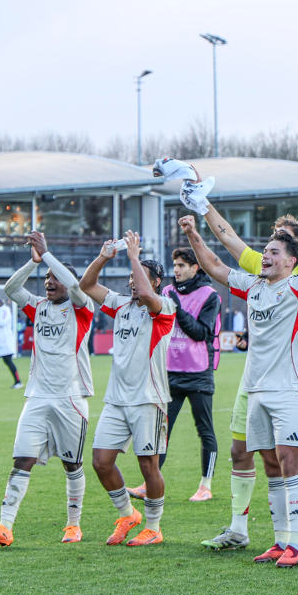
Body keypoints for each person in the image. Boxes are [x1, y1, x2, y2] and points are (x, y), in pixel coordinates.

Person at [182, 213, 298, 567]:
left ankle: (296, 543)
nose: (265, 255)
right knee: (270, 464)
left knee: (290, 460)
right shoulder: (253, 286)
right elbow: (216, 265)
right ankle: (280, 540)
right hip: (256, 391)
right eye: (265, 250)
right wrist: (192, 234)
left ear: (291, 261)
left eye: (273, 252)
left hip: (290, 390)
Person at [0, 232, 93, 547]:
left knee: (72, 464)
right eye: (46, 278)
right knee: (22, 459)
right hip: (37, 397)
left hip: (71, 398)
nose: (48, 282)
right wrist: (35, 261)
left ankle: (73, 525)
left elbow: (76, 287)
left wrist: (49, 254)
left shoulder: (82, 308)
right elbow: (11, 289)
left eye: (55, 278)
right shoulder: (38, 306)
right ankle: (5, 526)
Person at [79, 231, 177, 547]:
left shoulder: (165, 306)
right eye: (132, 277)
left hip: (149, 399)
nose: (134, 282)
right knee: (100, 461)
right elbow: (87, 285)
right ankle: (127, 514)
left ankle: (154, 527)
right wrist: (104, 257)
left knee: (148, 465)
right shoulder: (121, 305)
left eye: (141, 277)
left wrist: (134, 256)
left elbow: (147, 296)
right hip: (117, 400)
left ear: (157, 281)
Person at [140, 247, 222, 502]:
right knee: (161, 431)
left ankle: (205, 486)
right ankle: (150, 484)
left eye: (181, 265)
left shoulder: (210, 296)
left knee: (205, 430)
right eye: (174, 265)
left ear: (195, 268)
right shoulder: (166, 291)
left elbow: (200, 333)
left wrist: (177, 308)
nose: (175, 270)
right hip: (170, 372)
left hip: (198, 373)